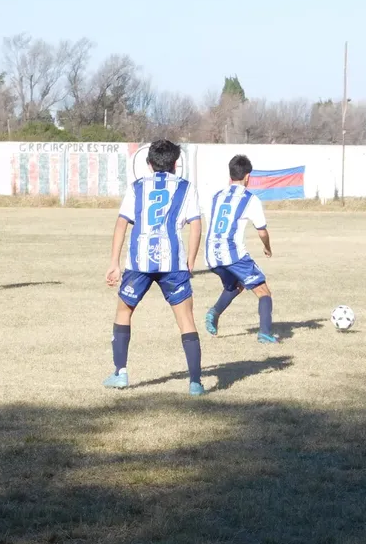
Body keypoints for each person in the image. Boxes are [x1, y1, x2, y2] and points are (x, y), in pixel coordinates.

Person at [103, 139, 205, 394]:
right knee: (186, 319)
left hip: (139, 262)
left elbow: (121, 223)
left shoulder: (137, 187)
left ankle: (121, 373)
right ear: (175, 164)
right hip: (173, 263)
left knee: (124, 312)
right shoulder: (186, 187)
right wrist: (190, 261)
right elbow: (196, 225)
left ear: (149, 164)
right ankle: (195, 382)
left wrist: (114, 263)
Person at [204, 155, 278, 343]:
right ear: (247, 177)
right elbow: (262, 232)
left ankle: (214, 313)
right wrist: (267, 248)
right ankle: (265, 333)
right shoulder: (250, 199)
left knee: (236, 285)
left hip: (211, 255)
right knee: (263, 292)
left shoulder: (215, 196)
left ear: (230, 176)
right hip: (233, 254)